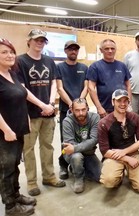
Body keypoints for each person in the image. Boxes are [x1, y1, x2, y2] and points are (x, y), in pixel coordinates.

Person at [0, 39, 54, 215]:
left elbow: (23, 95)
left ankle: (16, 196)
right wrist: (6, 129)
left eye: (11, 52)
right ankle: (10, 206)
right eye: (4, 52)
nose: (9, 55)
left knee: (14, 165)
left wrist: (37, 110)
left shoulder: (11, 73)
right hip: (5, 132)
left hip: (18, 128)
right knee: (6, 169)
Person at [17, 29, 66, 196]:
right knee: (28, 149)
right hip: (30, 114)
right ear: (29, 41)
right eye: (37, 39)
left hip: (49, 113)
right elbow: (22, 89)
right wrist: (42, 105)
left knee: (47, 146)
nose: (40, 42)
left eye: (43, 40)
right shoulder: (20, 62)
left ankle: (49, 176)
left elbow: (53, 83)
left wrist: (51, 103)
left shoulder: (49, 61)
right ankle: (31, 182)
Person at [98, 89, 139, 192]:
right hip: (114, 156)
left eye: (125, 101)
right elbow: (104, 151)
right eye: (119, 101)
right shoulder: (104, 123)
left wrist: (125, 152)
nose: (122, 104)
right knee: (109, 181)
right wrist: (126, 158)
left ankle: (132, 172)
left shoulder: (134, 117)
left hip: (132, 153)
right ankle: (120, 173)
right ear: (113, 102)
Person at [56, 40, 88, 180]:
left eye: (75, 49)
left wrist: (79, 103)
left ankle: (77, 163)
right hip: (66, 109)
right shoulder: (59, 67)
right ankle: (63, 164)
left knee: (82, 136)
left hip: (81, 109)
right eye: (70, 49)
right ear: (65, 51)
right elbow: (59, 88)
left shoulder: (84, 67)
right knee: (66, 139)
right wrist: (71, 104)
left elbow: (86, 86)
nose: (73, 51)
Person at [62, 98, 102, 194]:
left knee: (101, 177)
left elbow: (94, 140)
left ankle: (77, 167)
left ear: (87, 108)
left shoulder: (95, 118)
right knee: (77, 157)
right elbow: (69, 146)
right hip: (73, 154)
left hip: (88, 153)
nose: (81, 113)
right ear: (72, 110)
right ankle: (78, 177)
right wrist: (78, 148)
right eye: (77, 110)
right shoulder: (67, 121)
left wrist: (75, 147)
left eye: (83, 109)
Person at [87, 39, 132, 118]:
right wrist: (99, 107)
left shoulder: (122, 66)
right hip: (105, 109)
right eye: (106, 49)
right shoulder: (95, 67)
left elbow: (128, 86)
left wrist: (129, 104)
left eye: (112, 48)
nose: (110, 51)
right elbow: (91, 88)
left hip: (122, 108)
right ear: (101, 50)